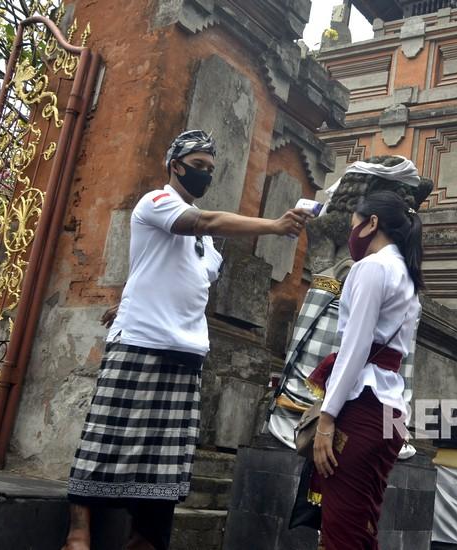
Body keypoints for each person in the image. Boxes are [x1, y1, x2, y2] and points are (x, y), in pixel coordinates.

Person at [62, 130, 311, 550]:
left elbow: (161, 268)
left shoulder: (209, 248)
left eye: (210, 170)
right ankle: (78, 532)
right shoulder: (156, 202)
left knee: (164, 458)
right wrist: (274, 225)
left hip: (187, 351)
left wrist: (126, 295)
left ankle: (144, 538)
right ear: (175, 166)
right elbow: (203, 219)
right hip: (140, 341)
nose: (205, 175)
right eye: (198, 167)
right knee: (106, 435)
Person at [306, 190, 423, 550]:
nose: (350, 234)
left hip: (363, 406)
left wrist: (326, 418)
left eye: (353, 225)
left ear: (372, 223)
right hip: (389, 408)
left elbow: (355, 348)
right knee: (360, 525)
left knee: (342, 531)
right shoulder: (405, 272)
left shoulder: (372, 267)